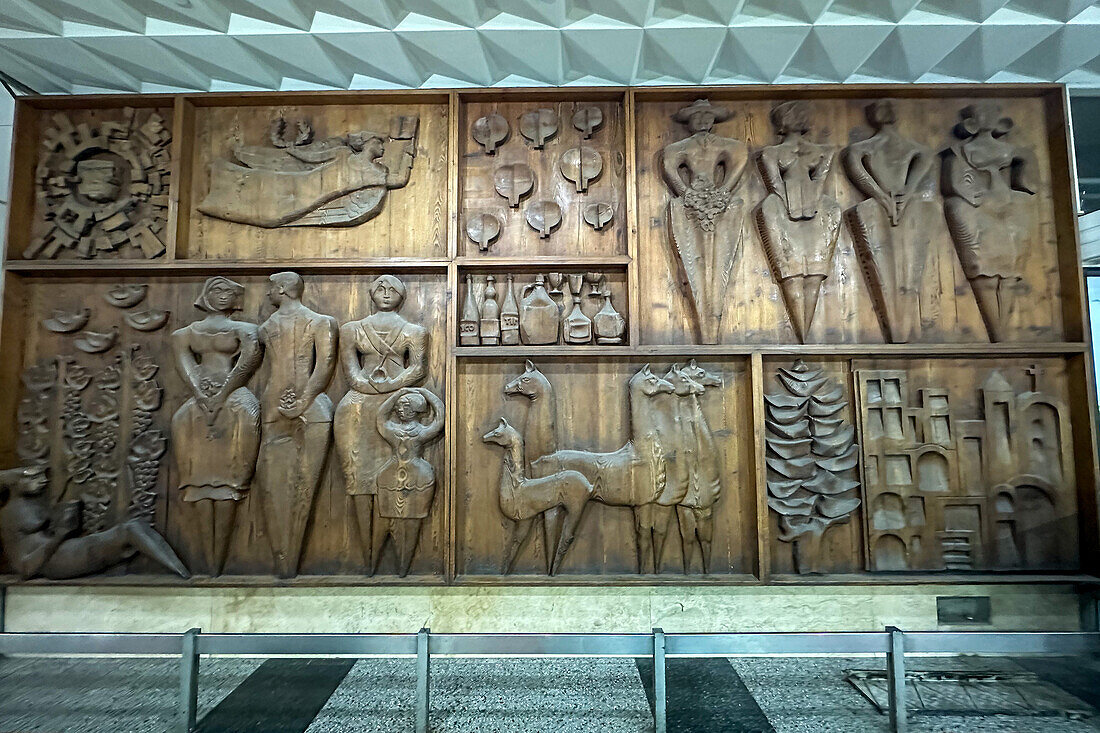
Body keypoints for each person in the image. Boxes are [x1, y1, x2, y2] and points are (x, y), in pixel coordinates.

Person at [333, 274, 429, 574]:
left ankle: (398, 552)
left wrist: (391, 386)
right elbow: (351, 369)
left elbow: (417, 368)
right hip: (358, 405)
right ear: (372, 293)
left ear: (401, 295)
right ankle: (368, 553)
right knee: (358, 476)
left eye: (393, 289)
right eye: (381, 288)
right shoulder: (352, 329)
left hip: (398, 405)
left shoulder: (415, 331)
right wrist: (369, 386)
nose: (386, 293)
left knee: (399, 479)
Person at [171, 276, 261, 576]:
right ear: (206, 295)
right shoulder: (183, 334)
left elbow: (246, 364)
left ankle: (219, 556)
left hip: (233, 394)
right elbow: (186, 367)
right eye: (217, 290)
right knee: (182, 424)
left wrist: (222, 394)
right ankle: (206, 560)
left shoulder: (246, 330)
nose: (223, 296)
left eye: (229, 292)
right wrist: (201, 394)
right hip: (200, 397)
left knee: (247, 417)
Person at [256, 272, 337, 578]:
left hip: (312, 406)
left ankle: (291, 560)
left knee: (305, 482)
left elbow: (324, 366)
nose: (267, 295)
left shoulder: (321, 322)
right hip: (272, 406)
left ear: (283, 290)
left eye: (270, 289)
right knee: (271, 481)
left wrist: (303, 401)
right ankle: (282, 561)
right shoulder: (265, 328)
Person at [0, 464, 189, 579]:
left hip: (63, 550)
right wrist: (61, 534)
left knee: (133, 528)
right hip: (54, 562)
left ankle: (183, 573)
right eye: (33, 477)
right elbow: (25, 568)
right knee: (130, 531)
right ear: (15, 483)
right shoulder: (9, 515)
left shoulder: (34, 505)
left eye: (42, 476)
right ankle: (185, 576)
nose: (42, 481)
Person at [660, 99, 749, 344]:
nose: (702, 120)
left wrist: (725, 191)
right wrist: (685, 193)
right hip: (690, 204)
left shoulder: (729, 145)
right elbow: (670, 168)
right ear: (688, 120)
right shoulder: (679, 147)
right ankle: (705, 331)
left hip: (720, 203)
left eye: (707, 115)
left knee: (721, 262)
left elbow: (739, 160)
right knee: (692, 260)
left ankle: (712, 331)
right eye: (696, 115)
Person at [373, 387, 445, 577]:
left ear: (415, 409)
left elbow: (440, 418)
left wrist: (425, 393)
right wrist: (398, 393)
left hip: (419, 476)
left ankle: (405, 566)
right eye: (398, 406)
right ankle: (378, 565)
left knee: (414, 521)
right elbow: (381, 416)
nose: (399, 410)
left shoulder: (420, 432)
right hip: (391, 476)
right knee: (387, 520)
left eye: (405, 406)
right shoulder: (392, 431)